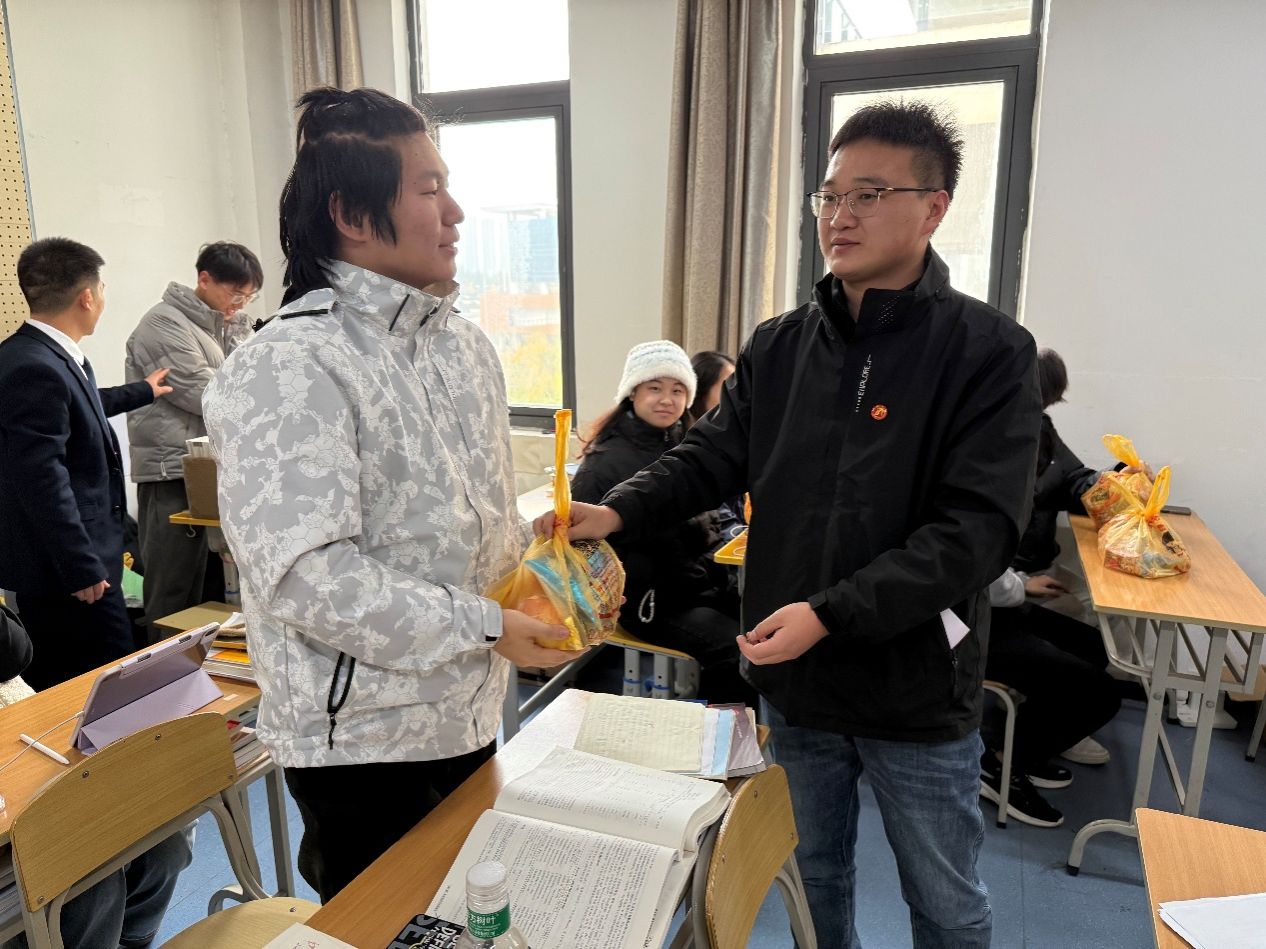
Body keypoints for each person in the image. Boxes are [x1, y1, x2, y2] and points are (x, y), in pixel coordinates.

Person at [541, 101, 1042, 948]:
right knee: (814, 877)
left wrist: (830, 613)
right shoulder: (780, 345)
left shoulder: (988, 351)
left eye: (869, 194)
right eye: (829, 196)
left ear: (934, 208)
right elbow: (709, 455)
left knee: (945, 899)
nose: (840, 216)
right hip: (794, 673)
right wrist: (617, 507)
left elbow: (975, 533)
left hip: (914, 683)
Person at [203, 87, 576, 904]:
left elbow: (474, 523)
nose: (456, 213)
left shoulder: (463, 348)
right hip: (363, 742)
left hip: (468, 705)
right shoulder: (288, 365)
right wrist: (488, 624)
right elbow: (308, 578)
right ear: (350, 214)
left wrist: (545, 575)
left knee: (468, 916)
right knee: (387, 927)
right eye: (430, 189)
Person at [0, 238, 172, 690]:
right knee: (104, 683)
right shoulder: (34, 366)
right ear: (87, 296)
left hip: (78, 562)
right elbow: (42, 478)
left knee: (88, 680)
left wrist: (143, 391)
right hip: (71, 573)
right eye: (103, 288)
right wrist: (80, 565)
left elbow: (82, 406)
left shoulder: (38, 355)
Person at [0, 604, 192, 949]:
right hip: (16, 802)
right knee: (92, 882)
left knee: (164, 842)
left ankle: (135, 936)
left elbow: (15, 653)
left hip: (25, 739)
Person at [571, 341, 752, 704]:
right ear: (632, 392)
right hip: (651, 601)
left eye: (678, 390)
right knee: (738, 652)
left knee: (766, 628)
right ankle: (722, 732)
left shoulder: (687, 448)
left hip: (699, 584)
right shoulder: (603, 464)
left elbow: (713, 516)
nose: (667, 400)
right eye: (655, 388)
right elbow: (589, 558)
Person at [125, 241, 263, 640]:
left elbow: (250, 377)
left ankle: (206, 673)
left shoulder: (220, 327)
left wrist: (238, 331)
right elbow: (209, 394)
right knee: (173, 591)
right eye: (235, 293)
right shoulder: (162, 324)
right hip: (171, 470)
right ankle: (161, 674)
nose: (239, 304)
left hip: (210, 468)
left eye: (248, 297)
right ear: (204, 279)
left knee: (214, 589)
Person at [979, 566, 1121, 828]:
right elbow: (969, 567)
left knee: (1093, 647)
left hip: (985, 605)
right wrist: (1019, 585)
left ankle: (1026, 747)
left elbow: (986, 561)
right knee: (1102, 693)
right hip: (958, 627)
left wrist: (1020, 581)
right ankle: (1000, 767)